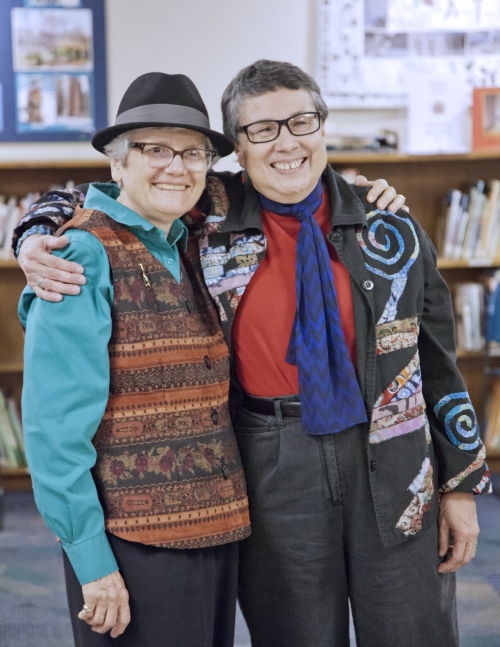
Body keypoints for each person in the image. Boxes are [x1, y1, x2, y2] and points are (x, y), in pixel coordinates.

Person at [13, 60, 486, 647]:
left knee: (414, 630)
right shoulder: (207, 213)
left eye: (301, 122)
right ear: (238, 147)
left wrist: (459, 485)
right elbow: (112, 194)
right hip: (271, 459)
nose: (286, 143)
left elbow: (440, 363)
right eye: (263, 130)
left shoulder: (388, 225)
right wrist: (35, 233)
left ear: (322, 128)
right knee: (295, 632)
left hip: (393, 456)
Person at [18, 72, 251, 647]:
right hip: (133, 544)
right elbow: (53, 431)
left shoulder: (192, 239)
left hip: (213, 529)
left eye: (193, 152)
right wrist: (92, 562)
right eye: (154, 149)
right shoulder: (81, 255)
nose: (177, 165)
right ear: (117, 165)